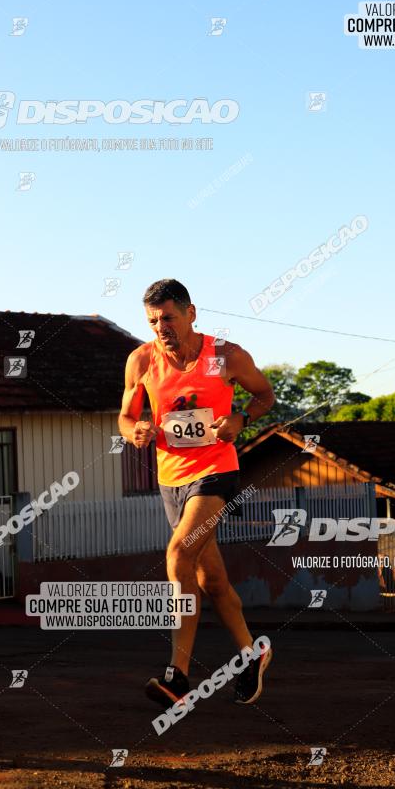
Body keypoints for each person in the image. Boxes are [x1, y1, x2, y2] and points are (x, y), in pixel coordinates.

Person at [118, 278, 275, 705]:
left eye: (168, 317)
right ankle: (252, 652)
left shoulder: (226, 355)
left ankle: (178, 675)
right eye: (152, 320)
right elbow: (125, 417)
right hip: (171, 480)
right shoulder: (141, 361)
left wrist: (241, 419)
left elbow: (265, 394)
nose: (160, 327)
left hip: (215, 473)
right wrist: (137, 431)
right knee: (211, 578)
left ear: (191, 313)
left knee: (178, 555)